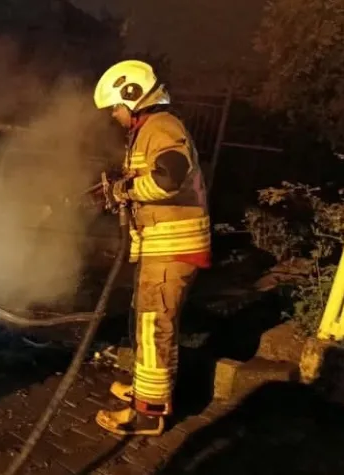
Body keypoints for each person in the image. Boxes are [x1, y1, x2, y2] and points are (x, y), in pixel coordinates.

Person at [91, 60, 211, 436]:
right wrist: (120, 188)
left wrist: (124, 191)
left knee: (154, 326)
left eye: (115, 106)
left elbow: (170, 177)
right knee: (149, 326)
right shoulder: (149, 131)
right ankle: (146, 391)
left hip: (172, 248)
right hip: (162, 247)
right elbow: (152, 178)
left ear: (133, 97)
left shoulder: (161, 126)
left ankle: (149, 414)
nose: (114, 115)